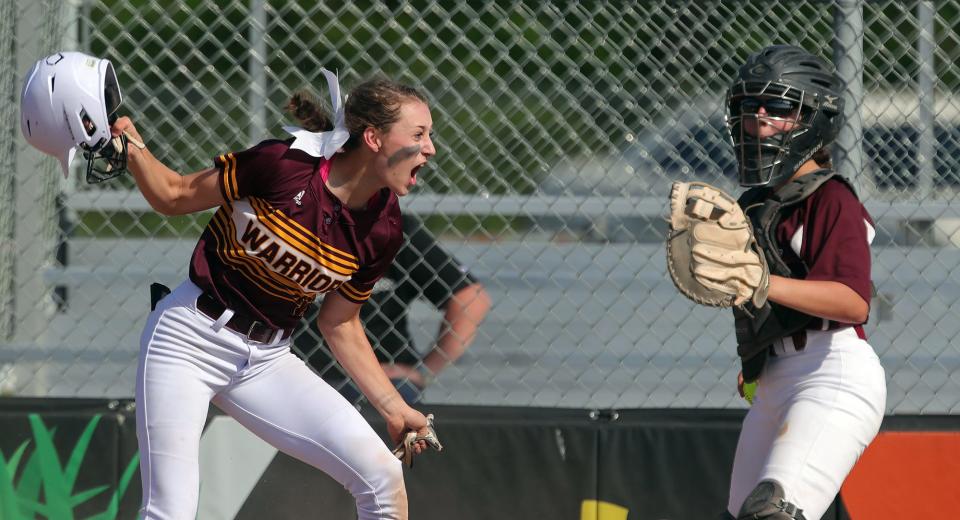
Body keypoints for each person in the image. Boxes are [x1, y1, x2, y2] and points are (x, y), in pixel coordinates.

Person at [22, 56, 439, 519]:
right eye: (418, 134)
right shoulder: (285, 166)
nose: (431, 148)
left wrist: (393, 406)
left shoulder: (384, 228)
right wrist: (132, 146)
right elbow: (175, 195)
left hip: (266, 361)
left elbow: (339, 321)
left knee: (382, 477)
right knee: (170, 511)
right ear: (374, 138)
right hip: (188, 338)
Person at [719, 45, 887, 520]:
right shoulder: (753, 204)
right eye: (750, 107)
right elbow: (760, 301)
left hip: (831, 373)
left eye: (778, 107)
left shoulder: (831, 196)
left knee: (773, 514)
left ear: (813, 117)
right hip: (774, 379)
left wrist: (757, 280)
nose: (760, 119)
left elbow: (852, 302)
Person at [295, 213, 491, 405]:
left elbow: (471, 298)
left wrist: (424, 371)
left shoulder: (392, 227)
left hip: (383, 376)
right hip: (297, 373)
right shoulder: (289, 224)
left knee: (387, 403)